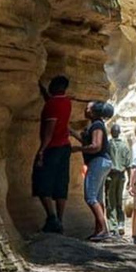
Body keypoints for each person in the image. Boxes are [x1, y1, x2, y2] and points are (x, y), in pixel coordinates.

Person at [32, 75, 72, 234]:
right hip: (65, 147)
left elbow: (49, 131)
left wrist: (41, 151)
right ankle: (60, 221)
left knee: (42, 181)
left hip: (52, 148)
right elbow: (53, 102)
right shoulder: (66, 101)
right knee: (61, 183)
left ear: (53, 86)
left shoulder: (52, 105)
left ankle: (52, 218)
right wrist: (44, 93)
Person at [71, 101, 113, 241]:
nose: (85, 109)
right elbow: (87, 142)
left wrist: (77, 150)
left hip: (98, 161)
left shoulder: (97, 125)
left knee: (90, 197)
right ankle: (99, 230)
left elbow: (95, 146)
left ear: (93, 112)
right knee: (98, 198)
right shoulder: (97, 124)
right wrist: (71, 132)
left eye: (88, 108)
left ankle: (104, 230)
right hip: (103, 162)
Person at [107, 124, 132, 236]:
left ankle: (113, 226)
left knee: (110, 201)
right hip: (121, 176)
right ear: (119, 132)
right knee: (119, 200)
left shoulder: (108, 145)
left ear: (111, 132)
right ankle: (121, 223)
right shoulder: (125, 146)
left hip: (110, 176)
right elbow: (129, 165)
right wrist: (130, 181)